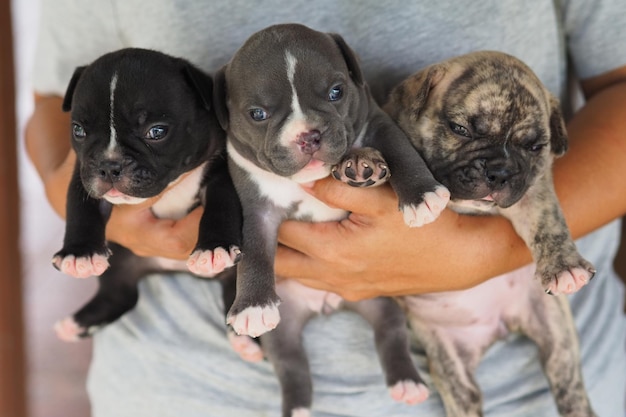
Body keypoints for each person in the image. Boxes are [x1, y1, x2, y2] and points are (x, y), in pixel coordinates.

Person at [26, 0, 626, 416]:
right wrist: (107, 211)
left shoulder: (370, 118)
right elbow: (56, 111)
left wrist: (486, 251)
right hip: (190, 386)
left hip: (531, 381)